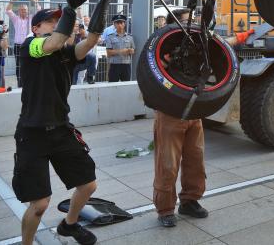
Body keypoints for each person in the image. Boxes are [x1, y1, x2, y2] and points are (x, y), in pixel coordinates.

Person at [13, 0, 110, 245]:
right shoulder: (30, 46)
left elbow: (90, 42)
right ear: (36, 28)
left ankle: (69, 225)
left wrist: (103, 3)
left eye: (59, 20)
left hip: (60, 130)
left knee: (88, 185)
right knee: (40, 204)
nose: (57, 25)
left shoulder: (66, 52)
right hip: (31, 133)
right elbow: (52, 43)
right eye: (51, 21)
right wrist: (68, 10)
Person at [153, 17, 253, 227]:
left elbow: (221, 44)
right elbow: (155, 71)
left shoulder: (199, 46)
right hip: (171, 112)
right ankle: (165, 209)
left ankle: (189, 201)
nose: (194, 26)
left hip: (194, 111)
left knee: (195, 159)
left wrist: (244, 35)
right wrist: (168, 59)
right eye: (186, 22)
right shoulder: (163, 48)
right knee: (168, 164)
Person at [6, 0, 41, 87]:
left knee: (31, 63)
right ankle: (20, 84)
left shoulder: (31, 18)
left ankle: (30, 83)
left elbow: (39, 9)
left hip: (30, 44)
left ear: (28, 10)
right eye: (21, 10)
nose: (23, 11)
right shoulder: (16, 19)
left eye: (25, 10)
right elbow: (8, 10)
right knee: (19, 66)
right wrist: (13, 0)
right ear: (18, 11)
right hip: (18, 45)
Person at [104, 14, 134, 82]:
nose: (120, 25)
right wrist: (122, 51)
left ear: (124, 24)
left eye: (121, 23)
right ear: (114, 25)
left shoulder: (130, 37)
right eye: (117, 23)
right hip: (114, 65)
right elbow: (108, 53)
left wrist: (131, 50)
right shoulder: (110, 37)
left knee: (126, 86)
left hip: (126, 65)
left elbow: (133, 50)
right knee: (112, 87)